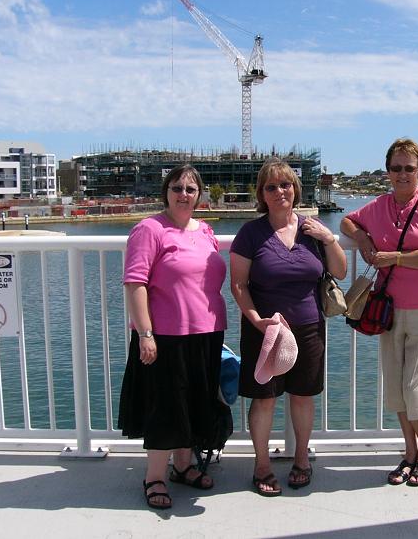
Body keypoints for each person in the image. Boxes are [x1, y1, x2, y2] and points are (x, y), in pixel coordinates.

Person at [340, 138, 418, 487]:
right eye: (396, 168)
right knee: (396, 386)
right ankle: (409, 452)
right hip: (390, 309)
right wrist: (363, 239)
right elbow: (348, 222)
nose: (403, 174)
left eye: (409, 168)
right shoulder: (378, 206)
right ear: (387, 171)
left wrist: (397, 258)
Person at [230, 157, 347, 497]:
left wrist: (329, 238)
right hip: (264, 330)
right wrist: (255, 319)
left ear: (295, 190)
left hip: (309, 326)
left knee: (302, 396)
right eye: (271, 186)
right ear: (262, 194)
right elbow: (239, 284)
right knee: (264, 400)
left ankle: (301, 460)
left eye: (286, 184)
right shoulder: (251, 233)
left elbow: (339, 272)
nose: (280, 191)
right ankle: (262, 465)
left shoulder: (312, 230)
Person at [118, 164, 227, 509]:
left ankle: (183, 465)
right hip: (164, 335)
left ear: (199, 195)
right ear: (166, 192)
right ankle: (154, 477)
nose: (183, 194)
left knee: (195, 402)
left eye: (190, 189)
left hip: (207, 332)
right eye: (177, 188)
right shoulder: (149, 229)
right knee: (165, 406)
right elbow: (135, 283)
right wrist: (145, 334)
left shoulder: (206, 231)